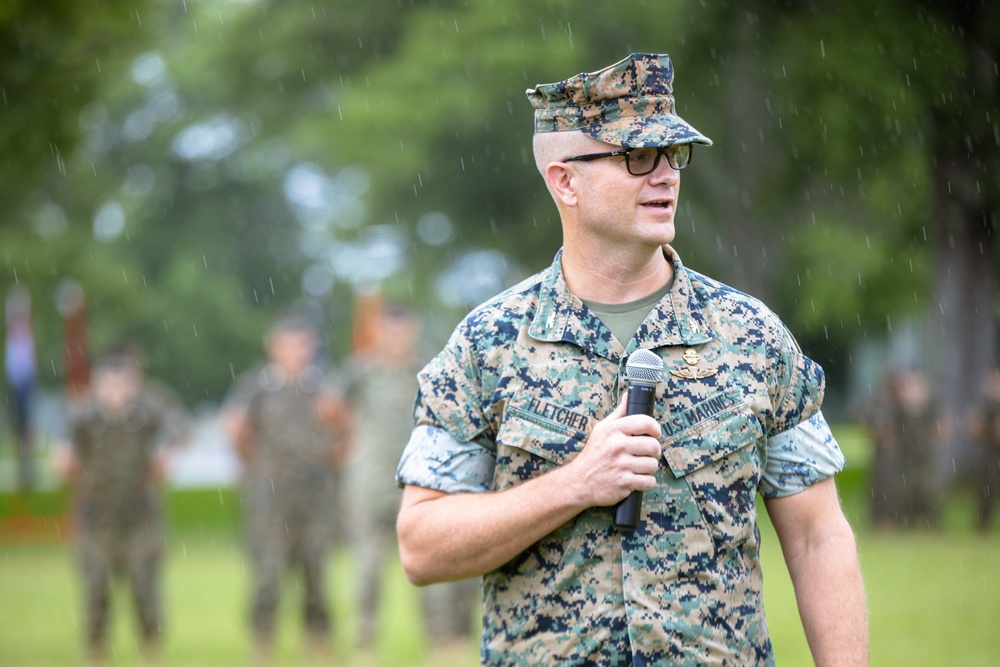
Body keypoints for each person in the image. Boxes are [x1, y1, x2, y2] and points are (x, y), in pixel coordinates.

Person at [394, 53, 868, 666]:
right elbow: (422, 547)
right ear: (565, 180)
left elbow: (817, 537)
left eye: (675, 156)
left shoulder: (752, 335)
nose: (666, 175)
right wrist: (575, 484)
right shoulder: (489, 344)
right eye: (637, 157)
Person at [343, 304, 478, 652]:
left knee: (433, 569)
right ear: (381, 333)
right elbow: (332, 411)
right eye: (391, 331)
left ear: (413, 331)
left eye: (403, 330)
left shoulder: (430, 371)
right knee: (368, 571)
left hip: (423, 484)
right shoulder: (362, 372)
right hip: (372, 488)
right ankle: (364, 644)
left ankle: (441, 643)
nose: (398, 338)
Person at [222, 315, 349, 662]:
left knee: (315, 568)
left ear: (310, 348)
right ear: (273, 347)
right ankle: (262, 640)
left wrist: (334, 459)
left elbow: (343, 429)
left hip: (314, 494)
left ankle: (319, 638)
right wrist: (258, 468)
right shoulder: (256, 385)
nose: (295, 352)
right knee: (268, 570)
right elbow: (236, 429)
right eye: (288, 345)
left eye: (301, 345)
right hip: (271, 496)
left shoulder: (323, 385)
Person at [54, 343, 188, 663]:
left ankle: (151, 648)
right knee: (96, 585)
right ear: (99, 382)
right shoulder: (83, 413)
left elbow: (180, 432)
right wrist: (65, 462)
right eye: (109, 381)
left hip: (140, 514)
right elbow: (63, 452)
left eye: (123, 381)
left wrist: (165, 456)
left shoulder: (149, 408)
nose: (116, 389)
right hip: (96, 516)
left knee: (144, 584)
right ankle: (96, 649)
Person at [4, 287, 38, 493]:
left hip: (25, 382)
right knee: (18, 426)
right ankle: (22, 464)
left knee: (26, 426)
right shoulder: (14, 336)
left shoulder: (25, 335)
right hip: (17, 383)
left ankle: (27, 465)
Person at [967, 369, 1000, 531]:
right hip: (990, 455)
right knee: (987, 492)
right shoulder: (984, 404)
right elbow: (974, 429)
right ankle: (984, 525)